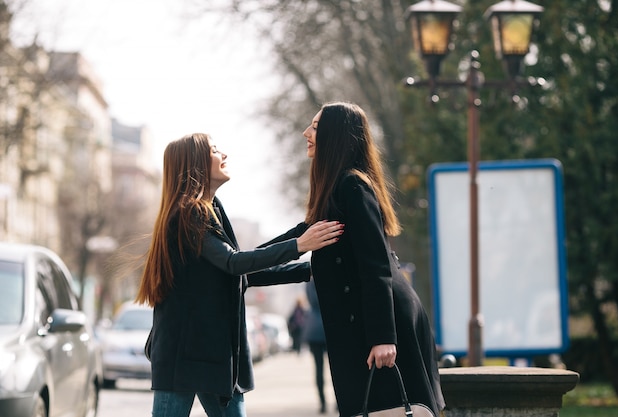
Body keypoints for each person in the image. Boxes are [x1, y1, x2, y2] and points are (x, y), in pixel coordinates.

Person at [134, 133, 343, 417]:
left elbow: (241, 272)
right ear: (194, 162)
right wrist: (299, 245)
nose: (224, 155)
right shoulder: (188, 214)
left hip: (213, 355)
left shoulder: (212, 210)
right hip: (183, 357)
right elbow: (234, 263)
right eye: (215, 150)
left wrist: (309, 267)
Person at [265, 102, 445, 417]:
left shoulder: (352, 186)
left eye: (316, 127)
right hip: (363, 325)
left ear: (336, 136)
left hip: (380, 328)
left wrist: (383, 338)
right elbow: (300, 236)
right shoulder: (337, 190)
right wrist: (242, 265)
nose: (306, 133)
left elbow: (376, 268)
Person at [303, 278, 329, 414]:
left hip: (313, 328)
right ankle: (336, 401)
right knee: (337, 368)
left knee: (318, 369)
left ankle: (323, 403)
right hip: (328, 327)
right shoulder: (328, 278)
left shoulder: (310, 283)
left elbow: (312, 300)